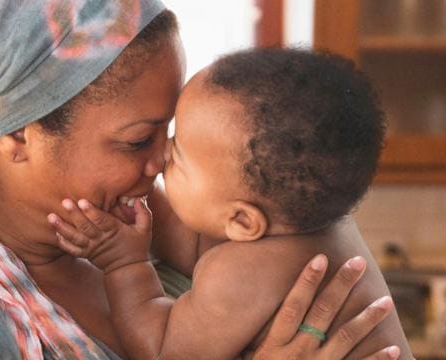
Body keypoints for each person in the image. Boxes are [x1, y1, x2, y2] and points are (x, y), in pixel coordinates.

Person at [0, 1, 397, 359]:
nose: (160, 162)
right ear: (17, 133)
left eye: (172, 135)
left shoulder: (170, 255)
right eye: (139, 139)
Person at [49, 49, 412, 359]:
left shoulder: (241, 274)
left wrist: (125, 263)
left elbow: (160, 348)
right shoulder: (311, 223)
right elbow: (197, 243)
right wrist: (141, 197)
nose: (158, 159)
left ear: (242, 220)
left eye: (176, 158)